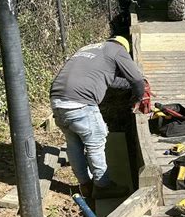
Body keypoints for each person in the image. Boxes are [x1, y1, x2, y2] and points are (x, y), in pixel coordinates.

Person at [50, 36, 147, 199]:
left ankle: (85, 185)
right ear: (124, 48)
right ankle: (103, 186)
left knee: (74, 143)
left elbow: (108, 79)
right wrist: (139, 95)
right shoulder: (118, 50)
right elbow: (136, 78)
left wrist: (129, 85)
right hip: (80, 103)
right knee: (96, 142)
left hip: (58, 101)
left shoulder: (88, 48)